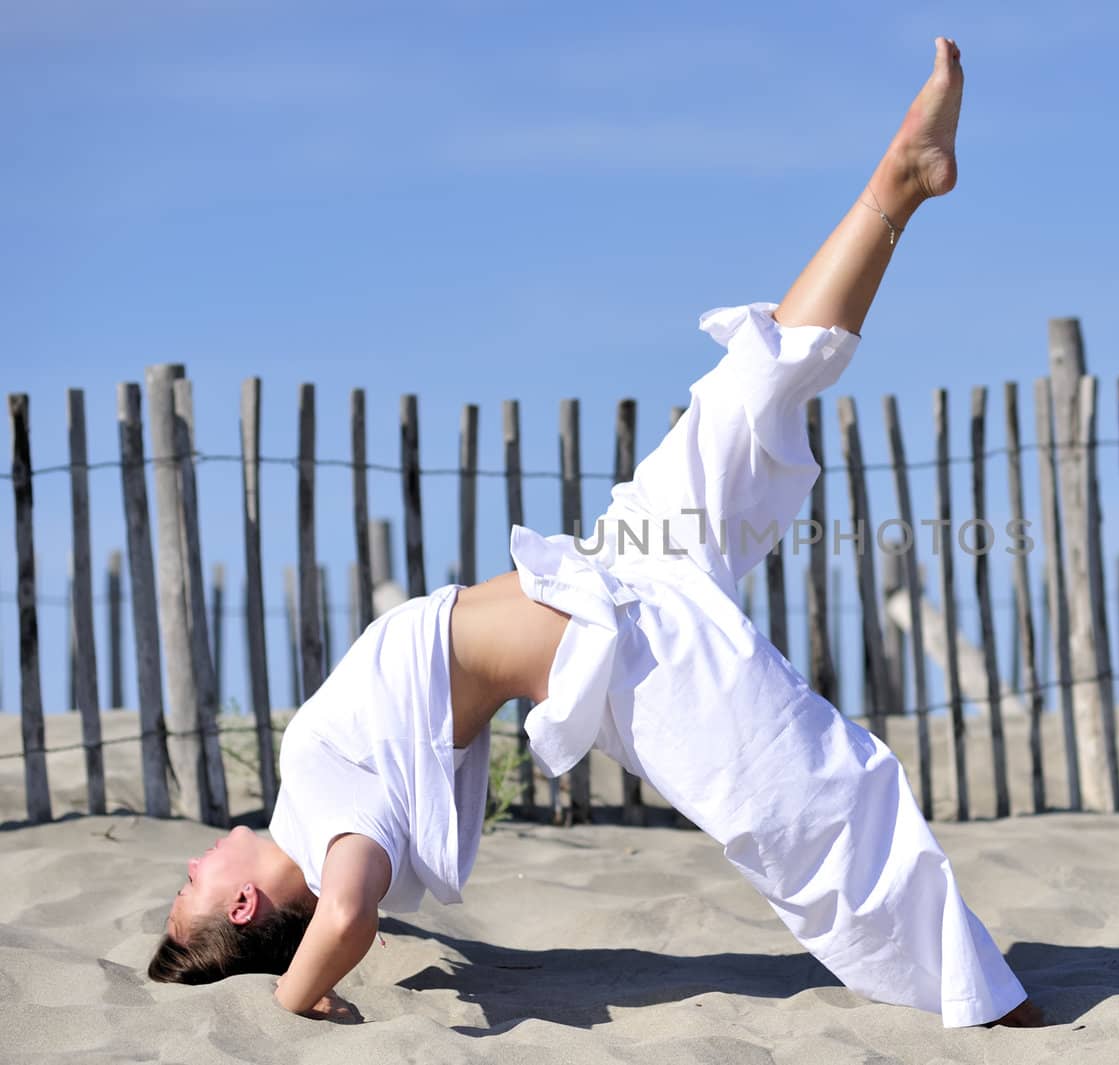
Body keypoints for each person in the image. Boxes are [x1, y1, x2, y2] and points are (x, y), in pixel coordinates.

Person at [149, 37, 1043, 1029]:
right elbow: (349, 908)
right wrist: (296, 990)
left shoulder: (311, 803)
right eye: (190, 887)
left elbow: (363, 903)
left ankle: (901, 182)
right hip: (632, 656)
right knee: (820, 806)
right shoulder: (324, 824)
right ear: (240, 902)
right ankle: (985, 1000)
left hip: (616, 566)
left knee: (750, 393)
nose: (190, 860)